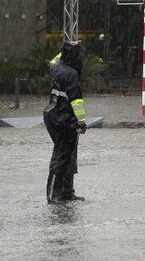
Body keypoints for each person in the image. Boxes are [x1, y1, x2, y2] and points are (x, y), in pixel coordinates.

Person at [43, 41, 87, 204]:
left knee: (69, 155)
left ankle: (67, 193)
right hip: (64, 119)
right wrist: (81, 122)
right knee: (62, 156)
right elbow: (76, 102)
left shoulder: (55, 66)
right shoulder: (72, 74)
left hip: (52, 115)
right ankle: (54, 195)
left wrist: (64, 51)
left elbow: (54, 59)